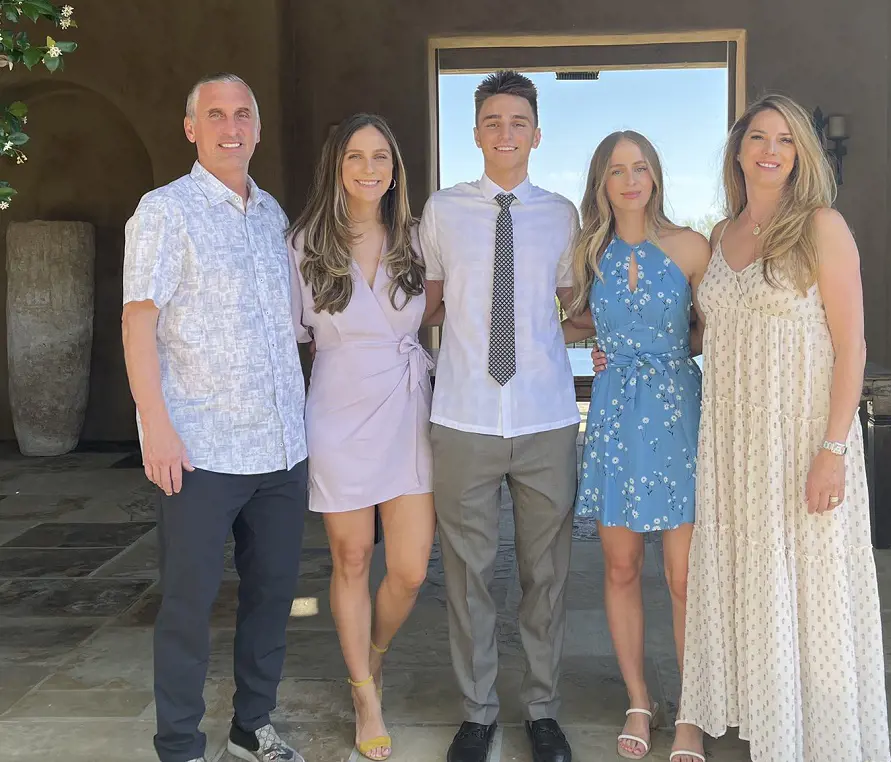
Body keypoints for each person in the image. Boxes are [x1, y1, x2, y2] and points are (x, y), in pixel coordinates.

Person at [595, 93, 890, 762]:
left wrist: (833, 449)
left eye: (785, 139)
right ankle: (764, 707)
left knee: (809, 582)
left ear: (801, 154)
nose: (770, 150)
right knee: (752, 579)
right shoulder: (721, 236)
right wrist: (622, 344)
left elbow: (854, 347)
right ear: (738, 151)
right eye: (758, 136)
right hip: (731, 443)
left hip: (802, 437)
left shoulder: (820, 226)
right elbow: (701, 332)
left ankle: (818, 728)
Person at [122, 73, 308, 762]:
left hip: (282, 451)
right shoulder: (164, 211)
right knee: (186, 610)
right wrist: (156, 427)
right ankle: (179, 745)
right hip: (199, 450)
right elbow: (138, 324)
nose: (231, 126)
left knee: (271, 601)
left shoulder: (271, 214)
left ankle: (250, 727)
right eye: (215, 114)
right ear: (191, 128)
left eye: (243, 114)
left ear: (257, 128)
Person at [419, 70, 580, 762]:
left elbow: (570, 312)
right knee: (468, 576)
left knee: (548, 575)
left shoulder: (563, 215)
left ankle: (542, 709)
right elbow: (423, 307)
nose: (506, 133)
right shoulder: (441, 212)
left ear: (536, 134)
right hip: (463, 417)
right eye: (493, 121)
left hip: (545, 418)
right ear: (476, 132)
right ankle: (478, 711)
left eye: (518, 121)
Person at [286, 113, 442, 762]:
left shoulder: (416, 238)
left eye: (382, 156)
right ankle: (363, 694)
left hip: (406, 411)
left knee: (407, 569)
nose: (371, 167)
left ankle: (374, 653)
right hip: (338, 414)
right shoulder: (302, 245)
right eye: (357, 156)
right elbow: (289, 337)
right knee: (350, 561)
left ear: (395, 167)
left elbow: (441, 309)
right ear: (337, 166)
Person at [561, 130, 710, 760]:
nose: (629, 179)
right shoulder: (586, 254)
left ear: (654, 176)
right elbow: (564, 317)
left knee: (683, 577)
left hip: (677, 412)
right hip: (616, 414)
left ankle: (694, 713)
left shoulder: (691, 248)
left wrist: (664, 351)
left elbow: (713, 329)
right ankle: (639, 700)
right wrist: (604, 345)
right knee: (621, 567)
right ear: (601, 181)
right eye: (617, 170)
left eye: (640, 167)